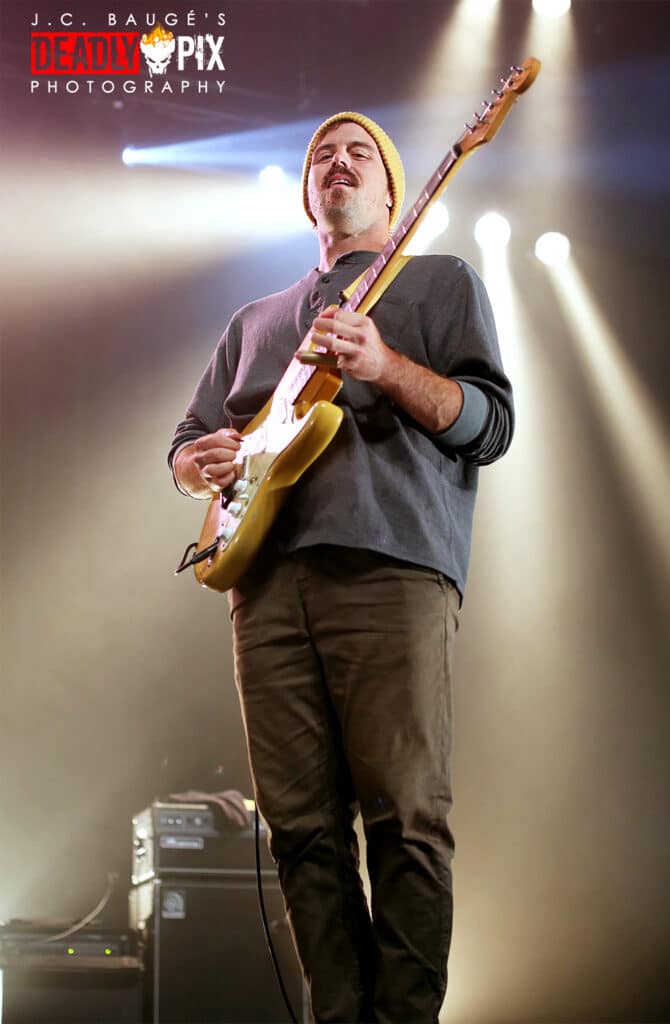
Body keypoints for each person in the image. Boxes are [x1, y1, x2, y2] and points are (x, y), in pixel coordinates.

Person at [169, 111, 514, 1024]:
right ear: (305, 195)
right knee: (298, 829)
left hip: (390, 566)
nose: (338, 162)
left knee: (404, 814)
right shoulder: (254, 321)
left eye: (360, 152)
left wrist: (385, 365)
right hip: (264, 585)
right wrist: (196, 463)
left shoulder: (439, 282)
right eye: (321, 155)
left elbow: (490, 427)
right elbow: (188, 438)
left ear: (394, 191)